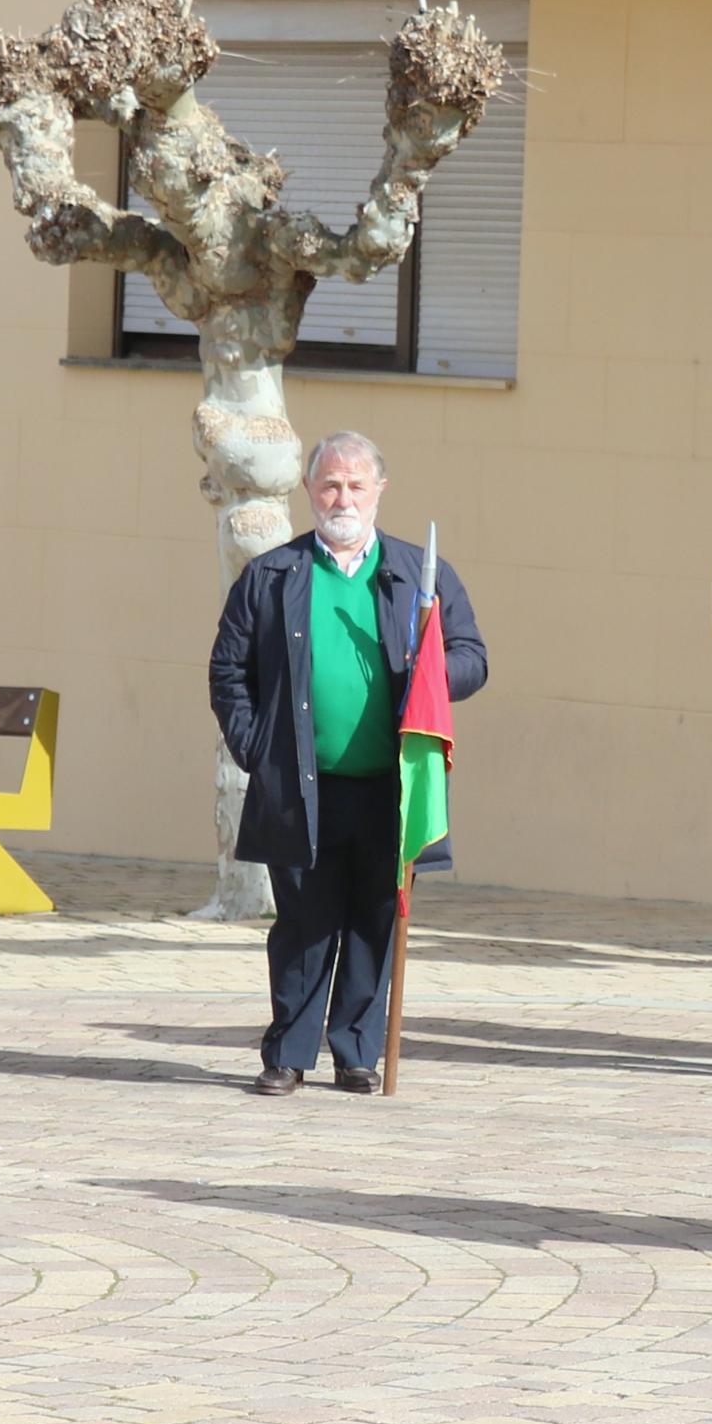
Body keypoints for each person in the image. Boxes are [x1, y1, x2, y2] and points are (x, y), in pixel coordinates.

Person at [209, 432, 488, 1097]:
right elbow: (228, 672)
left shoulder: (418, 574)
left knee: (371, 921)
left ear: (378, 492)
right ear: (309, 491)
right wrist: (260, 748)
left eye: (355, 485)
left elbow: (473, 658)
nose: (342, 497)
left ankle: (355, 1053)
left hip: (388, 789)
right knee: (304, 924)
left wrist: (430, 672)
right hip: (301, 787)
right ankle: (288, 1054)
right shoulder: (272, 575)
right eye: (330, 484)